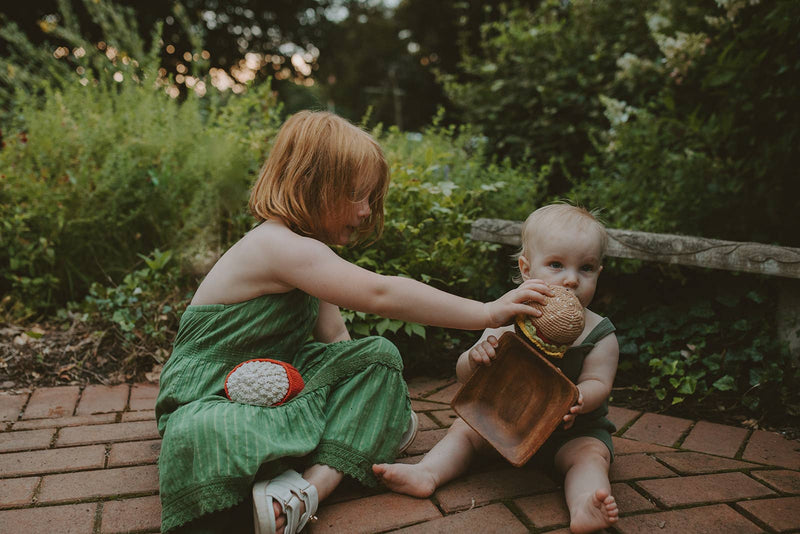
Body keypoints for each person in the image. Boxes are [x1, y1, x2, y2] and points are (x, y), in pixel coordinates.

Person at [155, 111, 550, 534]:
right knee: (204, 433)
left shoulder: (307, 254)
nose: (365, 211)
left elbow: (339, 345)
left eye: (370, 198)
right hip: (211, 391)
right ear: (313, 184)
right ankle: (354, 437)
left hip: (279, 386)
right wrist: (487, 313)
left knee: (377, 357)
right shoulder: (276, 245)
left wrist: (373, 390)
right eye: (355, 195)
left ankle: (306, 491)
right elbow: (383, 293)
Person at [374, 204, 620, 534]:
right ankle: (427, 472)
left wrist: (580, 398)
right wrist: (477, 357)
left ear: (599, 273)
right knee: (465, 430)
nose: (572, 279)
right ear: (527, 268)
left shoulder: (599, 333)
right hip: (502, 425)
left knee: (591, 455)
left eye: (586, 268)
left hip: (569, 434)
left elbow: (598, 382)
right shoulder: (507, 319)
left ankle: (585, 503)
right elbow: (466, 377)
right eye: (557, 265)